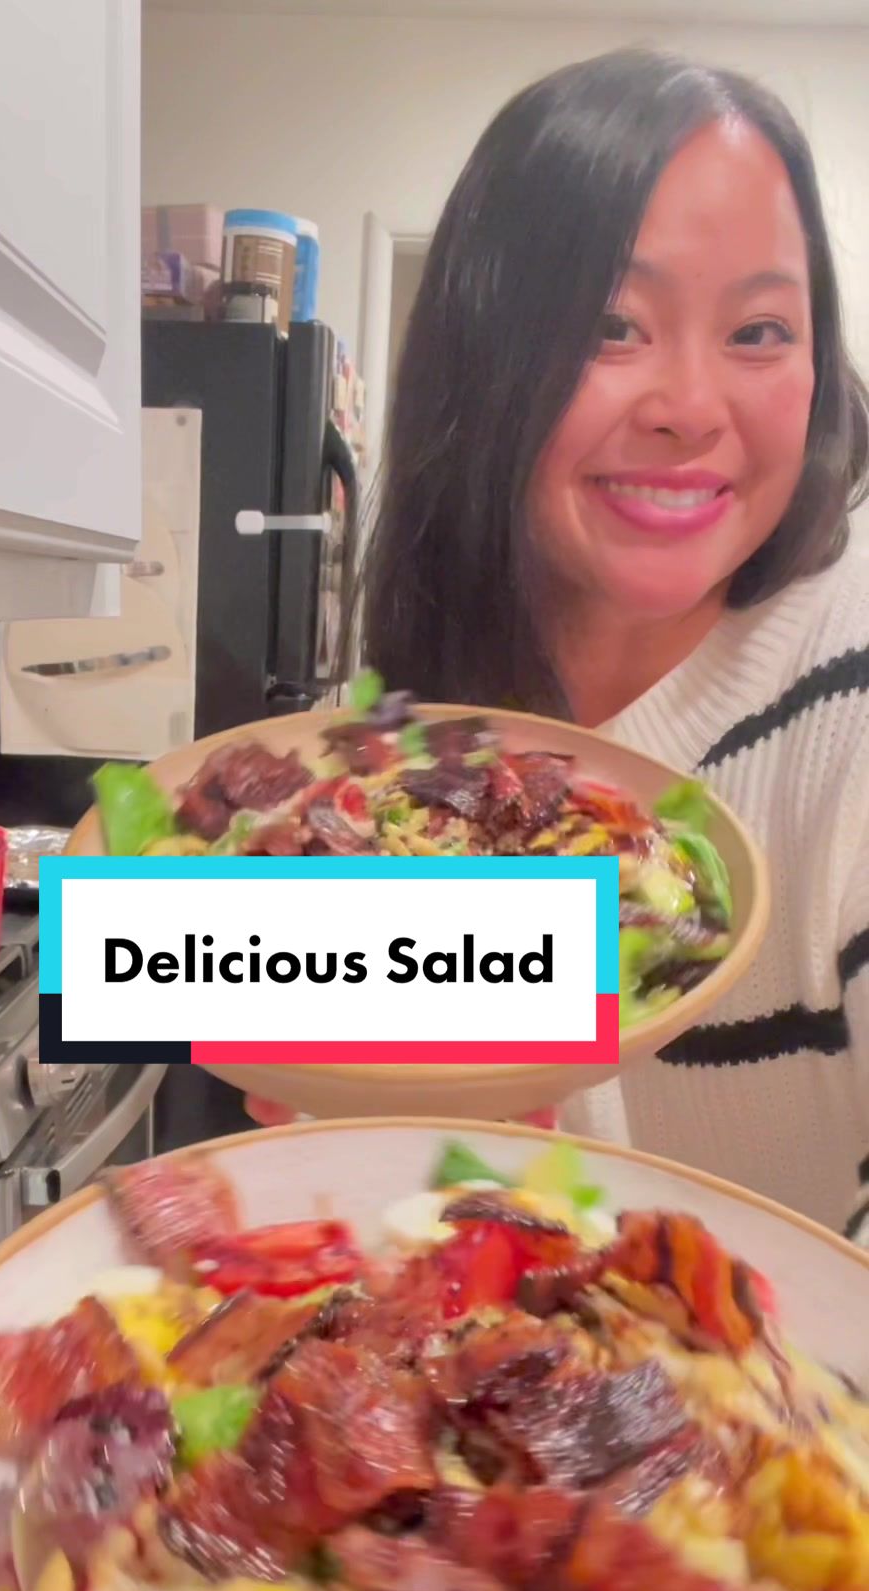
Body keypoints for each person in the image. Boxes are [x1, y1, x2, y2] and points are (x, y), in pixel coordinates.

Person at [250, 48, 869, 1244]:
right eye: (611, 325)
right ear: (481, 361)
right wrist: (266, 1006)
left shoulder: (849, 692)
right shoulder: (408, 737)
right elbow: (139, 972)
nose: (690, 408)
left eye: (758, 330)